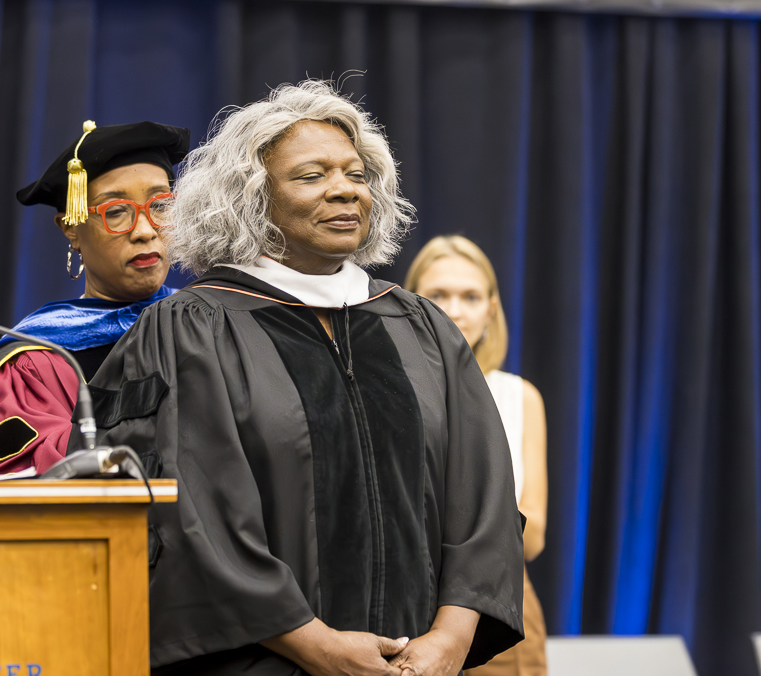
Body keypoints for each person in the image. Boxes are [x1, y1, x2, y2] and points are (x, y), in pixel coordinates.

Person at [89, 80, 524, 676]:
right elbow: (190, 516)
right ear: (251, 199)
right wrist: (310, 642)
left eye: (356, 173)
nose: (345, 189)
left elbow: (485, 498)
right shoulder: (193, 329)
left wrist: (450, 638)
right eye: (312, 175)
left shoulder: (420, 327)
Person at [0, 121, 189, 477]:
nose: (145, 231)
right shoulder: (34, 361)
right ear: (71, 228)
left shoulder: (206, 324)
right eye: (116, 212)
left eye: (160, 205)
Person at [405, 235, 548, 676]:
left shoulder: (519, 396)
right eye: (439, 295)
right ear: (412, 303)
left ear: (491, 308)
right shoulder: (385, 389)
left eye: (470, 295)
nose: (456, 309)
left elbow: (535, 532)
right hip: (404, 608)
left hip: (498, 612)